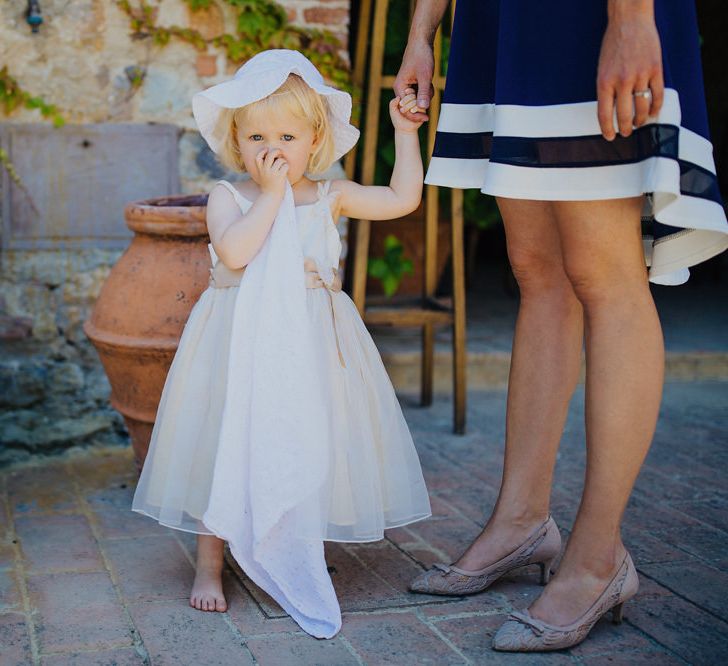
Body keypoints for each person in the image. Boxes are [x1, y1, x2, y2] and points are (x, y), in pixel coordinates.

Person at [396, 0, 728, 653]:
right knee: (538, 273)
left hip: (586, 16)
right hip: (503, 20)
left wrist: (632, 19)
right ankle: (521, 521)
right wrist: (421, 31)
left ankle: (600, 558)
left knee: (605, 274)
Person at [131, 49, 431, 639]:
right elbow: (238, 253)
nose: (274, 147)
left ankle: (296, 548)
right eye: (258, 135)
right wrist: (269, 194)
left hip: (312, 345)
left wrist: (403, 134)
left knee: (309, 439)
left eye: (289, 135)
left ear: (315, 139)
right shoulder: (229, 196)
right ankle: (211, 565)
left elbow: (403, 200)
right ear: (237, 141)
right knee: (227, 443)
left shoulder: (330, 195)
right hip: (238, 345)